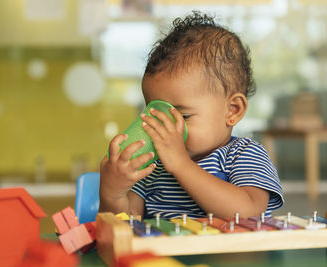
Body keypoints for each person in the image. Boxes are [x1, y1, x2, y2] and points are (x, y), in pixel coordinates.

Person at [99, 11, 284, 219]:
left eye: (183, 116)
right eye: (157, 115)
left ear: (233, 110)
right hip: (165, 252)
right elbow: (126, 226)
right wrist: (112, 194)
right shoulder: (152, 166)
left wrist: (180, 164)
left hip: (229, 252)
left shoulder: (244, 155)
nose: (168, 128)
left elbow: (249, 211)